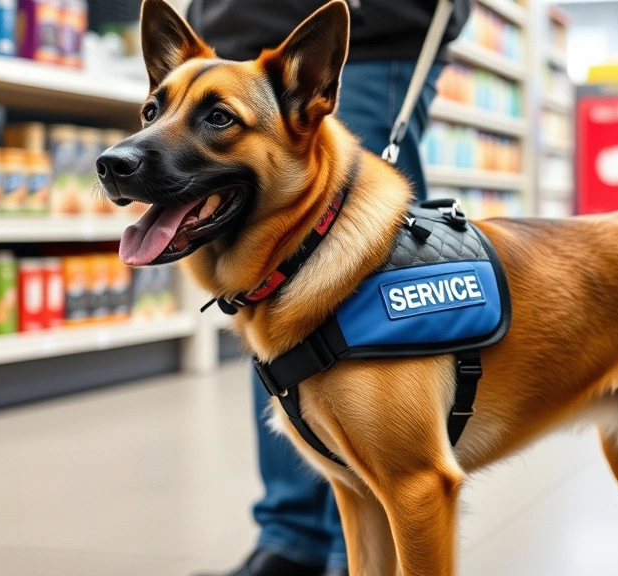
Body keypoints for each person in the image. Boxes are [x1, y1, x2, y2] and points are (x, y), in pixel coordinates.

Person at [184, 1, 471, 575]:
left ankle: (356, 549)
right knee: (268, 290)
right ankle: (294, 539)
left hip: (370, 27)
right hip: (233, 26)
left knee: (364, 269)